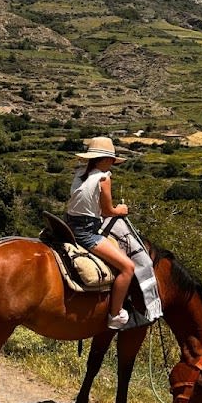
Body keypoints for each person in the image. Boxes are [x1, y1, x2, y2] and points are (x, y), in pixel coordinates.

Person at [66, 136, 135, 331]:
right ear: (103, 159)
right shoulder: (104, 178)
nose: (113, 163)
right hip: (87, 231)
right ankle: (115, 314)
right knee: (127, 268)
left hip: (69, 223)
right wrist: (121, 210)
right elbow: (107, 211)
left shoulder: (80, 173)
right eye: (111, 159)